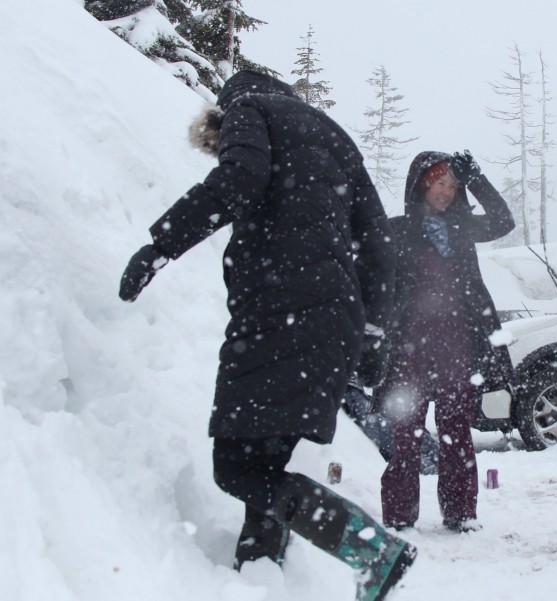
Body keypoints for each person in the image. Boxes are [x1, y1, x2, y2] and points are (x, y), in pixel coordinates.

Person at [118, 69, 415, 601]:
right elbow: (378, 246)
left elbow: (238, 181)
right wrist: (372, 330)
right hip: (333, 321)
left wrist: (157, 247)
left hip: (280, 314)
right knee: (268, 465)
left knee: (235, 467)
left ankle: (370, 547)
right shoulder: (335, 135)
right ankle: (258, 576)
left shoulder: (248, 110)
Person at [377, 150, 514, 532]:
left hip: (456, 348)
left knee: (457, 435)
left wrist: (478, 179)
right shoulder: (399, 229)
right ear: (423, 183)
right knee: (406, 438)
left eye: (453, 186)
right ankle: (400, 516)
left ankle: (461, 513)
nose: (446, 192)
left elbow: (504, 221)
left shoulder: (462, 228)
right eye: (440, 182)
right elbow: (372, 273)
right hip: (410, 352)